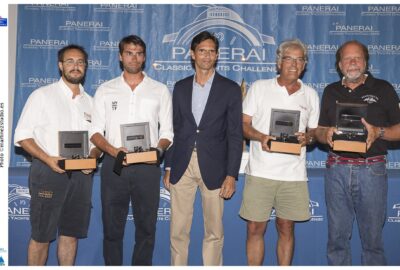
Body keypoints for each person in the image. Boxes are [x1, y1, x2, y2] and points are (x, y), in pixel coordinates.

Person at [89, 35, 173, 266]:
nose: (133, 57)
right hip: (115, 166)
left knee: (147, 228)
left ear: (144, 57)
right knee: (112, 227)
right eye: (129, 52)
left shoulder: (160, 90)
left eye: (138, 53)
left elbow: (168, 132)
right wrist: (113, 150)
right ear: (120, 56)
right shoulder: (106, 90)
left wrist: (158, 150)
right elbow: (95, 132)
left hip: (147, 168)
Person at [14, 44, 101, 265]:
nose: (76, 66)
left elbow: (97, 140)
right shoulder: (42, 95)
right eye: (70, 61)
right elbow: (22, 136)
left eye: (80, 62)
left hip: (81, 176)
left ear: (86, 67)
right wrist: (47, 159)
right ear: (60, 65)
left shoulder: (91, 103)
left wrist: (92, 158)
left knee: (70, 235)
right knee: (41, 236)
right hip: (48, 171)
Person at [315, 40, 400, 265]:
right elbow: (320, 131)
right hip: (336, 170)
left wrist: (378, 132)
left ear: (366, 61)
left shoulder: (383, 89)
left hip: (372, 170)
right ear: (339, 64)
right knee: (337, 240)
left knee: (372, 242)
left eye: (358, 58)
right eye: (347, 58)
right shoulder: (330, 91)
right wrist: (327, 135)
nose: (352, 62)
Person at [163, 31, 243, 266]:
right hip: (181, 164)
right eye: (202, 50)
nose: (206, 55)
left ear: (217, 55)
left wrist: (231, 174)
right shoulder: (180, 87)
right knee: (178, 230)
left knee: (214, 231)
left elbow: (235, 134)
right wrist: (168, 166)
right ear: (192, 53)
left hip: (216, 167)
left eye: (211, 51)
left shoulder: (229, 89)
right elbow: (173, 129)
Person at [239, 39, 320, 265]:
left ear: (304, 64)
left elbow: (314, 132)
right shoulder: (259, 87)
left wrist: (308, 138)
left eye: (299, 59)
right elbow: (243, 124)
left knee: (286, 227)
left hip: (293, 175)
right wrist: (261, 137)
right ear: (278, 62)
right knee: (255, 228)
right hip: (261, 172)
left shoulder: (311, 94)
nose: (294, 64)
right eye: (288, 58)